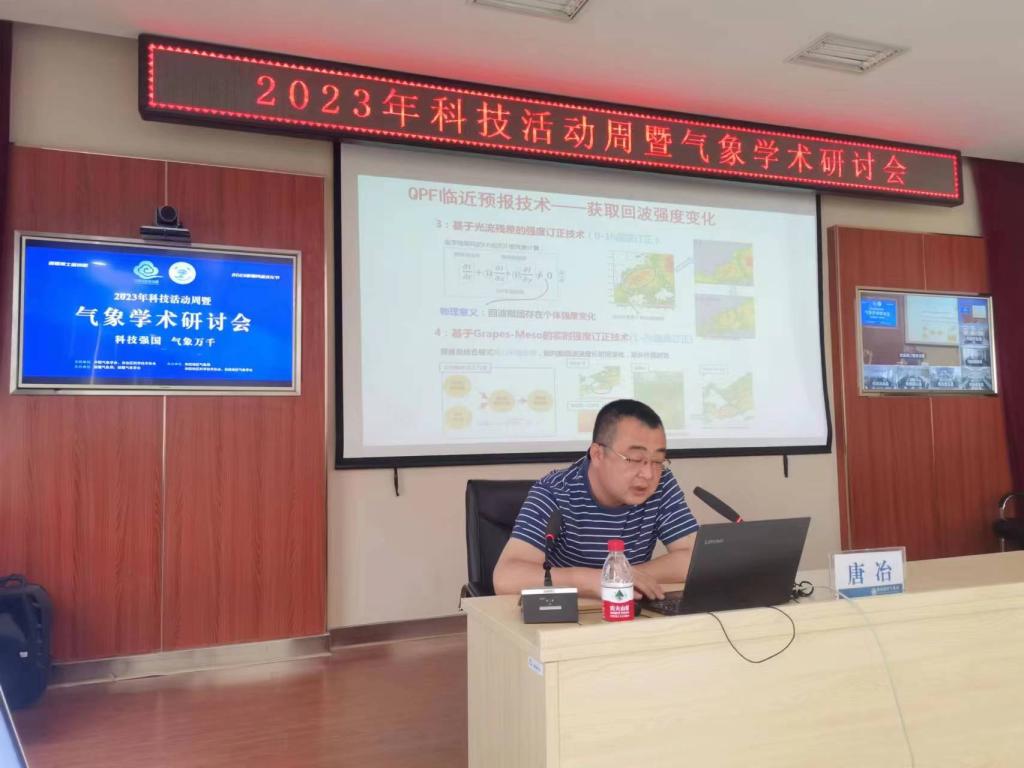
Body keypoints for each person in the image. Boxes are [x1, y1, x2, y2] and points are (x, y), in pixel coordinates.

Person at [492, 399, 698, 600]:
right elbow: (506, 577)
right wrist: (590, 580)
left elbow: (694, 558)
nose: (648, 474)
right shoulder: (555, 492)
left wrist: (621, 575)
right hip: (569, 613)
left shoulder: (661, 485)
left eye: (657, 461)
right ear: (598, 454)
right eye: (635, 459)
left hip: (627, 609)